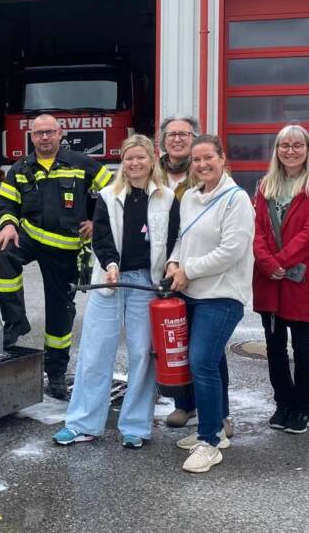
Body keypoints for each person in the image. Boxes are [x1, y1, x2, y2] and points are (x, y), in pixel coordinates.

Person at [52, 135, 178, 449]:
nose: (134, 164)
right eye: (128, 158)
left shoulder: (167, 198)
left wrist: (171, 267)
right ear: (122, 162)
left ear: (152, 160)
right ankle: (82, 423)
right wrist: (109, 263)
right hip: (109, 280)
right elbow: (102, 237)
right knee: (95, 351)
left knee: (142, 354)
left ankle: (135, 426)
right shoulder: (108, 195)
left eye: (140, 157)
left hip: (145, 284)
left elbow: (176, 239)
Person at [0, 114, 113, 399]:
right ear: (31, 137)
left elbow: (112, 192)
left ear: (60, 134)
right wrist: (9, 223)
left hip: (66, 249)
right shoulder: (21, 168)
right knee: (2, 252)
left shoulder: (81, 163)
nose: (44, 138)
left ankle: (56, 374)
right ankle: (16, 321)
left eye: (49, 132)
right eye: (38, 133)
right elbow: (6, 200)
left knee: (59, 316)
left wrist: (97, 222)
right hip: (30, 237)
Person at [165, 134, 254, 473]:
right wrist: (174, 263)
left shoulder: (236, 199)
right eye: (196, 159)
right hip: (190, 292)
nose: (202, 165)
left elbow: (233, 250)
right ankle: (217, 427)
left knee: (200, 361)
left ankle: (209, 442)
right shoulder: (189, 197)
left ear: (222, 158)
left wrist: (188, 269)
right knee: (212, 363)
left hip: (222, 295)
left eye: (208, 158)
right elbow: (181, 240)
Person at [252, 125, 309, 434]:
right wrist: (266, 263)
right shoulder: (264, 186)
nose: (290, 150)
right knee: (274, 346)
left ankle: (302, 408)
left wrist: (280, 262)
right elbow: (257, 230)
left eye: (297, 145)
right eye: (284, 145)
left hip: (299, 279)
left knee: (302, 345)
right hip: (268, 278)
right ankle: (282, 403)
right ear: (276, 150)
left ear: (307, 149)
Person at [157, 114, 201, 428]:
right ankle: (183, 404)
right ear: (163, 140)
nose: (177, 139)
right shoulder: (152, 171)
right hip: (159, 263)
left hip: (194, 264)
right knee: (174, 338)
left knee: (201, 340)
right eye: (172, 134)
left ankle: (213, 406)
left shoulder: (203, 169)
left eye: (184, 134)